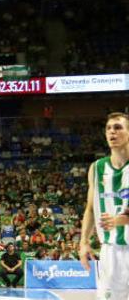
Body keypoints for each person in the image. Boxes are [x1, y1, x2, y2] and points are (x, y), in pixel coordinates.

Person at [80, 112, 129, 300]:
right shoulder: (97, 168)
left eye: (118, 127)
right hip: (111, 250)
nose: (112, 132)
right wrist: (84, 241)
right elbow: (91, 209)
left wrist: (119, 220)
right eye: (108, 128)